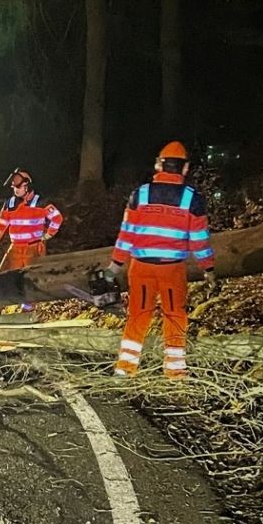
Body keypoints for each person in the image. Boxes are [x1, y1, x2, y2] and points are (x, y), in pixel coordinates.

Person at [110, 140, 214, 378]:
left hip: (141, 267)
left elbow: (126, 234)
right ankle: (175, 372)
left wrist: (115, 266)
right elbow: (200, 240)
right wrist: (208, 267)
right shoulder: (192, 199)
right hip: (172, 270)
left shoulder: (141, 194)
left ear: (159, 165)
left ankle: (125, 369)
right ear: (185, 168)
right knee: (175, 315)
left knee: (138, 314)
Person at [0, 169, 64, 271]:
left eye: (18, 187)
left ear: (28, 186)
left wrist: (49, 234)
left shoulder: (40, 203)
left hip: (34, 249)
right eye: (14, 187)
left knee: (34, 276)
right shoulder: (10, 204)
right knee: (6, 276)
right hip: (15, 249)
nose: (15, 190)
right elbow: (1, 225)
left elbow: (57, 218)